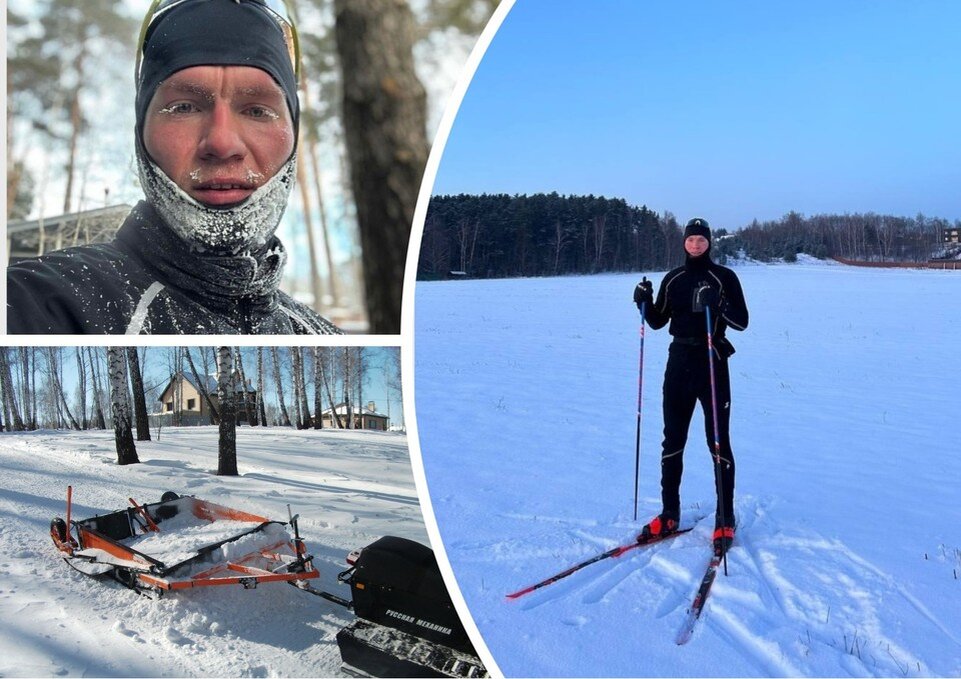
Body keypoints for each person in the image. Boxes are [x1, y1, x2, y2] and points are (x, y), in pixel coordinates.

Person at [7, 0, 341, 335]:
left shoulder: (323, 336)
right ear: (141, 132)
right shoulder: (35, 305)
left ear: (294, 133)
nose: (222, 144)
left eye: (257, 111)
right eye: (184, 107)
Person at [632, 217, 748, 555]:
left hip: (712, 361)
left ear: (710, 243)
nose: (696, 245)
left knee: (717, 441)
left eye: (701, 240)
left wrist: (718, 304)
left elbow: (742, 321)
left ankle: (725, 517)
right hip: (678, 361)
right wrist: (642, 301)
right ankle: (670, 513)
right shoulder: (674, 278)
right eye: (691, 240)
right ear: (683, 242)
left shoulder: (724, 277)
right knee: (673, 439)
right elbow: (657, 321)